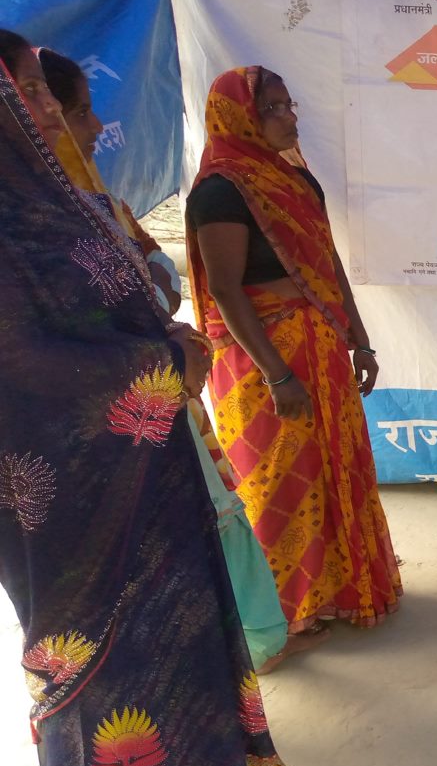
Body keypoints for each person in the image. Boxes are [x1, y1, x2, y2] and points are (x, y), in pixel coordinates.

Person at [0, 29, 299, 766]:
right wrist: (161, 363)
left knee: (180, 626)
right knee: (113, 650)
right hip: (68, 491)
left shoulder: (55, 203)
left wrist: (164, 341)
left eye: (45, 89)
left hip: (146, 456)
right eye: (28, 91)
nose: (49, 107)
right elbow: (17, 363)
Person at [38, 47, 291, 673]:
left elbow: (157, 273)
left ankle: (250, 644)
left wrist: (158, 315)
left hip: (168, 393)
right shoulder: (35, 234)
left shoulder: (104, 206)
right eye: (77, 112)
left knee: (214, 519)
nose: (96, 126)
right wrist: (152, 316)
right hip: (113, 427)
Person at [186, 66, 402, 635]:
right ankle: (291, 612)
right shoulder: (220, 192)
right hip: (263, 364)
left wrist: (360, 340)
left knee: (338, 467)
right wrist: (278, 375)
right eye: (273, 109)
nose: (289, 118)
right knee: (280, 477)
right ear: (239, 118)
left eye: (289, 105)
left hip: (323, 349)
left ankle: (345, 590)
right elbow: (226, 289)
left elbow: (328, 266)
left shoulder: (297, 181)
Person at [38, 48, 182, 313]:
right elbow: (123, 313)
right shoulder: (36, 220)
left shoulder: (102, 199)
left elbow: (156, 257)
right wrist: (157, 291)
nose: (98, 126)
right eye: (81, 113)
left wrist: (156, 291)